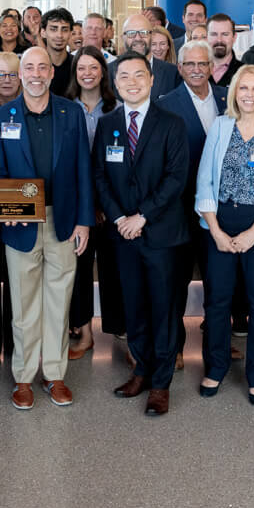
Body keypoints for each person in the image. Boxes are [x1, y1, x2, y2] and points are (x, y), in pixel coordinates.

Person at [0, 46, 93, 410]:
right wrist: (4, 208)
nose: (35, 74)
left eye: (41, 68)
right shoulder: (1, 117)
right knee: (23, 302)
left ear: (51, 73)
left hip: (63, 220)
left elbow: (83, 169)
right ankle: (23, 377)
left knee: (58, 300)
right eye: (28, 67)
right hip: (21, 224)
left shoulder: (72, 113)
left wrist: (84, 220)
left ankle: (55, 374)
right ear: (20, 75)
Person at [96, 53, 191, 417]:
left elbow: (175, 179)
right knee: (134, 307)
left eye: (139, 75)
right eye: (124, 77)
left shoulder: (172, 122)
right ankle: (141, 369)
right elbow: (100, 175)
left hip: (161, 234)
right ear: (115, 83)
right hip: (123, 234)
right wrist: (121, 217)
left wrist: (142, 216)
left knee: (164, 310)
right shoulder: (107, 124)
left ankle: (161, 384)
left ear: (152, 80)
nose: (132, 82)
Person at [195, 65, 254, 406]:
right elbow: (204, 179)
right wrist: (216, 230)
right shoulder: (220, 127)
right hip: (219, 220)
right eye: (242, 88)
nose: (249, 95)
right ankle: (216, 367)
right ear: (233, 92)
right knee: (217, 302)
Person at [158, 40, 228, 363]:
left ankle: (217, 345)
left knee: (219, 283)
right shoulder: (165, 105)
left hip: (222, 211)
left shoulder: (230, 100)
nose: (198, 70)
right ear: (180, 68)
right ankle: (174, 348)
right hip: (181, 210)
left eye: (203, 64)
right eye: (190, 65)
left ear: (212, 67)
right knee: (176, 284)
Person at [65, 46, 120, 356]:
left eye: (93, 67)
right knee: (80, 271)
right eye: (81, 68)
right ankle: (84, 333)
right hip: (76, 207)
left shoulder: (116, 108)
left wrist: (104, 205)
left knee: (113, 272)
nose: (87, 73)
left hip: (112, 205)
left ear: (103, 71)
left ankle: (118, 332)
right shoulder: (64, 108)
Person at [40, 7, 76, 94]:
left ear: (71, 34)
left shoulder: (78, 65)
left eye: (64, 30)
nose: (59, 35)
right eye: (53, 29)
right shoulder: (35, 66)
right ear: (43, 32)